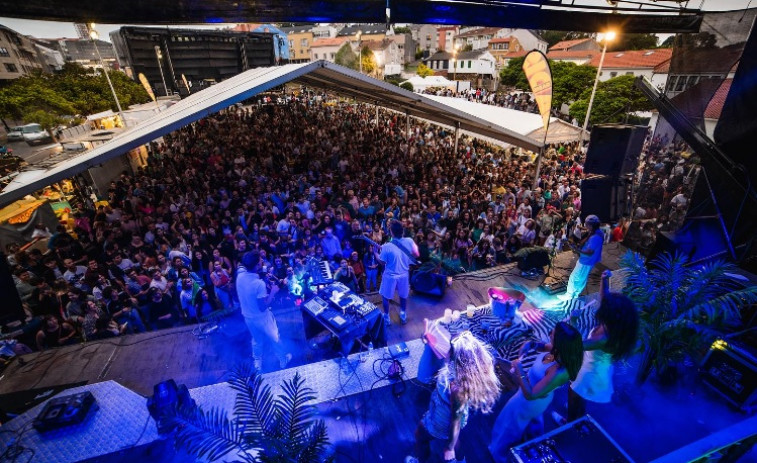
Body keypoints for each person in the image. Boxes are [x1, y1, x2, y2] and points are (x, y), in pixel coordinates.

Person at [552, 270, 639, 423]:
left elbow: (575, 345)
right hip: (596, 367)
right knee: (581, 394)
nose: (601, 309)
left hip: (590, 372)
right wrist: (603, 279)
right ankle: (578, 413)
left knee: (574, 392)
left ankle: (570, 421)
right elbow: (605, 297)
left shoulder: (603, 338)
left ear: (610, 315)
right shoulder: (616, 327)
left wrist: (573, 321)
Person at [488, 322, 584, 462]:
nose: (550, 332)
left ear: (560, 342)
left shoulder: (559, 371)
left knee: (507, 426)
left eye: (553, 333)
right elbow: (541, 346)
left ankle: (498, 454)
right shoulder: (557, 351)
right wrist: (530, 345)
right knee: (533, 424)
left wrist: (519, 369)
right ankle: (534, 442)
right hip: (538, 399)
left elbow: (531, 394)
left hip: (528, 401)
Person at [405, 331, 500, 463]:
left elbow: (455, 420)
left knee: (420, 436)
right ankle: (460, 460)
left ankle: (422, 460)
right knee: (454, 440)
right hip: (441, 411)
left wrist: (449, 448)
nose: (447, 350)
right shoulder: (458, 369)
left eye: (451, 348)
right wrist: (431, 340)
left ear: (457, 358)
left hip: (443, 419)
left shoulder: (457, 387)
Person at [236, 250, 291, 370]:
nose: (263, 263)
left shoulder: (240, 276)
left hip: (248, 317)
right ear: (256, 265)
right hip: (262, 318)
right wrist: (273, 291)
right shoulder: (258, 284)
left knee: (256, 339)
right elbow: (263, 306)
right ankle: (283, 358)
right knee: (275, 337)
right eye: (260, 261)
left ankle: (258, 363)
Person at [376, 220, 419, 325]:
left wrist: (375, 253)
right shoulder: (409, 241)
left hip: (390, 276)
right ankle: (403, 315)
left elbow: (382, 262)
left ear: (391, 232)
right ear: (402, 231)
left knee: (385, 297)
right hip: (404, 274)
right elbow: (416, 254)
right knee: (403, 295)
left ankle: (386, 318)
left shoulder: (387, 246)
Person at [559, 214, 603, 301]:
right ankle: (575, 295)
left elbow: (589, 252)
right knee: (581, 278)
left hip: (586, 261)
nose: (585, 226)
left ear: (591, 225)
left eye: (586, 224)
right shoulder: (597, 232)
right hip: (587, 261)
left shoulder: (595, 237)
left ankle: (570, 296)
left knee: (575, 278)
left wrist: (577, 250)